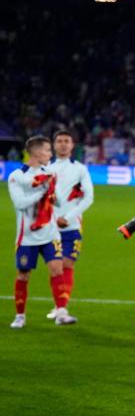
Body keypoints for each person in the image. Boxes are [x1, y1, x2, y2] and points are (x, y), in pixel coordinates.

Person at [8, 136, 75, 327]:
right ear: (37, 153)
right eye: (47, 150)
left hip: (50, 233)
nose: (50, 154)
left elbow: (60, 201)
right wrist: (41, 191)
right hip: (27, 236)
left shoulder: (50, 173)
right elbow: (20, 204)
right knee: (23, 274)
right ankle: (20, 316)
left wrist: (54, 189)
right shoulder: (17, 176)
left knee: (57, 269)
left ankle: (61, 312)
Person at [45, 130, 93, 321]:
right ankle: (60, 307)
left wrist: (69, 216)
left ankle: (61, 308)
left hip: (72, 226)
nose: (63, 144)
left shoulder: (80, 169)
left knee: (67, 263)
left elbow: (89, 197)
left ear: (72, 145)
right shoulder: (45, 168)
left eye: (67, 141)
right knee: (55, 267)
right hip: (49, 227)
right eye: (59, 141)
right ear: (54, 145)